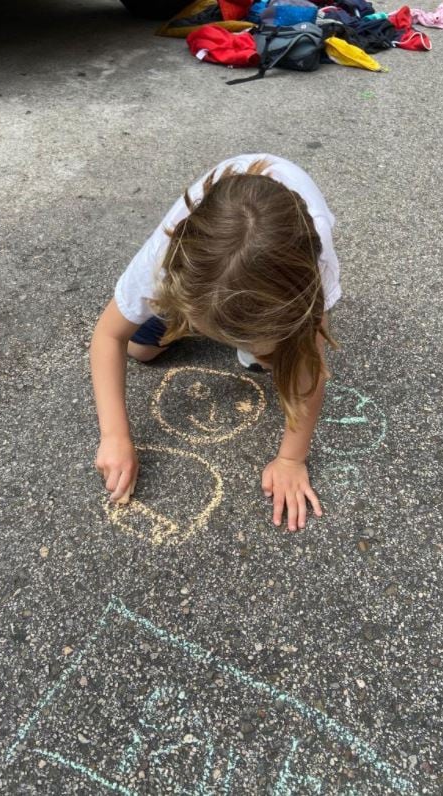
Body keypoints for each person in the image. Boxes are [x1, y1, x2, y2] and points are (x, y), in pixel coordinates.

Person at [89, 153, 341, 532]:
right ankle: (213, 318)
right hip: (207, 268)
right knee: (138, 350)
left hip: (276, 261)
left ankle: (248, 337)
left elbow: (310, 365)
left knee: (278, 360)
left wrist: (292, 459)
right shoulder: (164, 259)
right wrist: (114, 435)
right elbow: (108, 335)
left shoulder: (312, 274)